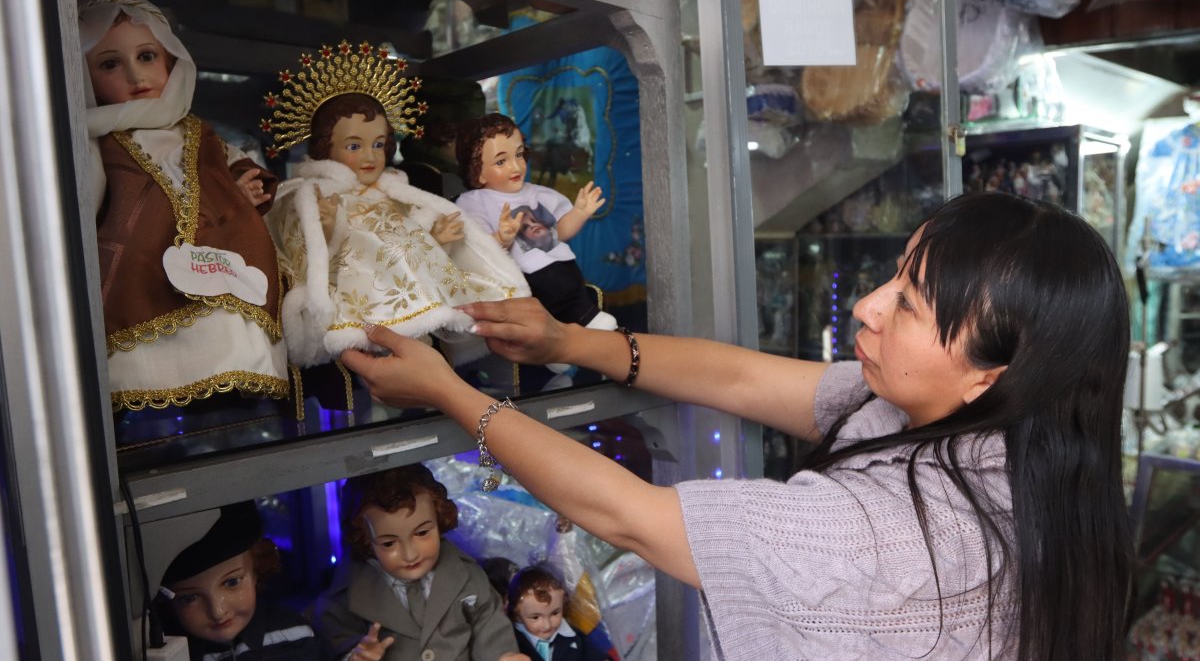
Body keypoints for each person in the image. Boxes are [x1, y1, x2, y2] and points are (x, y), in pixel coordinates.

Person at [340, 192, 1133, 660]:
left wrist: (449, 390)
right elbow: (742, 376)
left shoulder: (896, 535)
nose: (867, 304)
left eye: (910, 304)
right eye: (895, 272)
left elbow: (632, 517)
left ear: (991, 372)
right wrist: (565, 340)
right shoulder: (989, 427)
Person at [79, 0, 289, 412]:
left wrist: (244, 183)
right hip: (143, 250)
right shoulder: (98, 139)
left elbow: (234, 164)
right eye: (109, 64)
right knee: (143, 303)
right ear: (84, 76)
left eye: (146, 56)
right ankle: (148, 380)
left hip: (223, 241)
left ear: (171, 60)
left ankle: (240, 369)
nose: (136, 76)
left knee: (231, 314)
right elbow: (86, 200)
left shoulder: (197, 129)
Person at [264, 50, 529, 369]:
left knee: (443, 319)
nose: (369, 155)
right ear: (325, 147)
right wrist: (330, 229)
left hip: (409, 289)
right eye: (354, 146)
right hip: (361, 295)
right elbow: (309, 261)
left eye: (378, 144)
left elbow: (410, 241)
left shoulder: (393, 189)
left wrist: (436, 240)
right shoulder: (311, 196)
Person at [308, 464, 528, 661]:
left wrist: (502, 655)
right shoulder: (347, 595)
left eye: (422, 533)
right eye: (388, 544)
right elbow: (331, 635)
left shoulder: (467, 574)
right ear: (365, 539)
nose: (410, 554)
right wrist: (355, 655)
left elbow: (488, 624)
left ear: (439, 518)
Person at [454, 114, 616, 331]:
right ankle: (572, 327)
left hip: (560, 265)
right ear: (478, 172)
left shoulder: (537, 193)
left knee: (570, 286)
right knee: (539, 306)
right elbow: (478, 249)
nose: (516, 167)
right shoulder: (474, 202)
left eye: (519, 155)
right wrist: (502, 237)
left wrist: (579, 212)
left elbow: (559, 232)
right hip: (524, 276)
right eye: (501, 161)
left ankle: (583, 318)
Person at [156, 502, 323, 660]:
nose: (217, 611)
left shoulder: (297, 637)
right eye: (190, 598)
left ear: (256, 570)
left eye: (232, 582)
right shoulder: (165, 654)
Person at [506, 565, 607, 661]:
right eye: (535, 617)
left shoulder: (573, 636)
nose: (547, 625)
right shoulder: (512, 641)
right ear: (517, 614)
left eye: (555, 613)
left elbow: (595, 655)